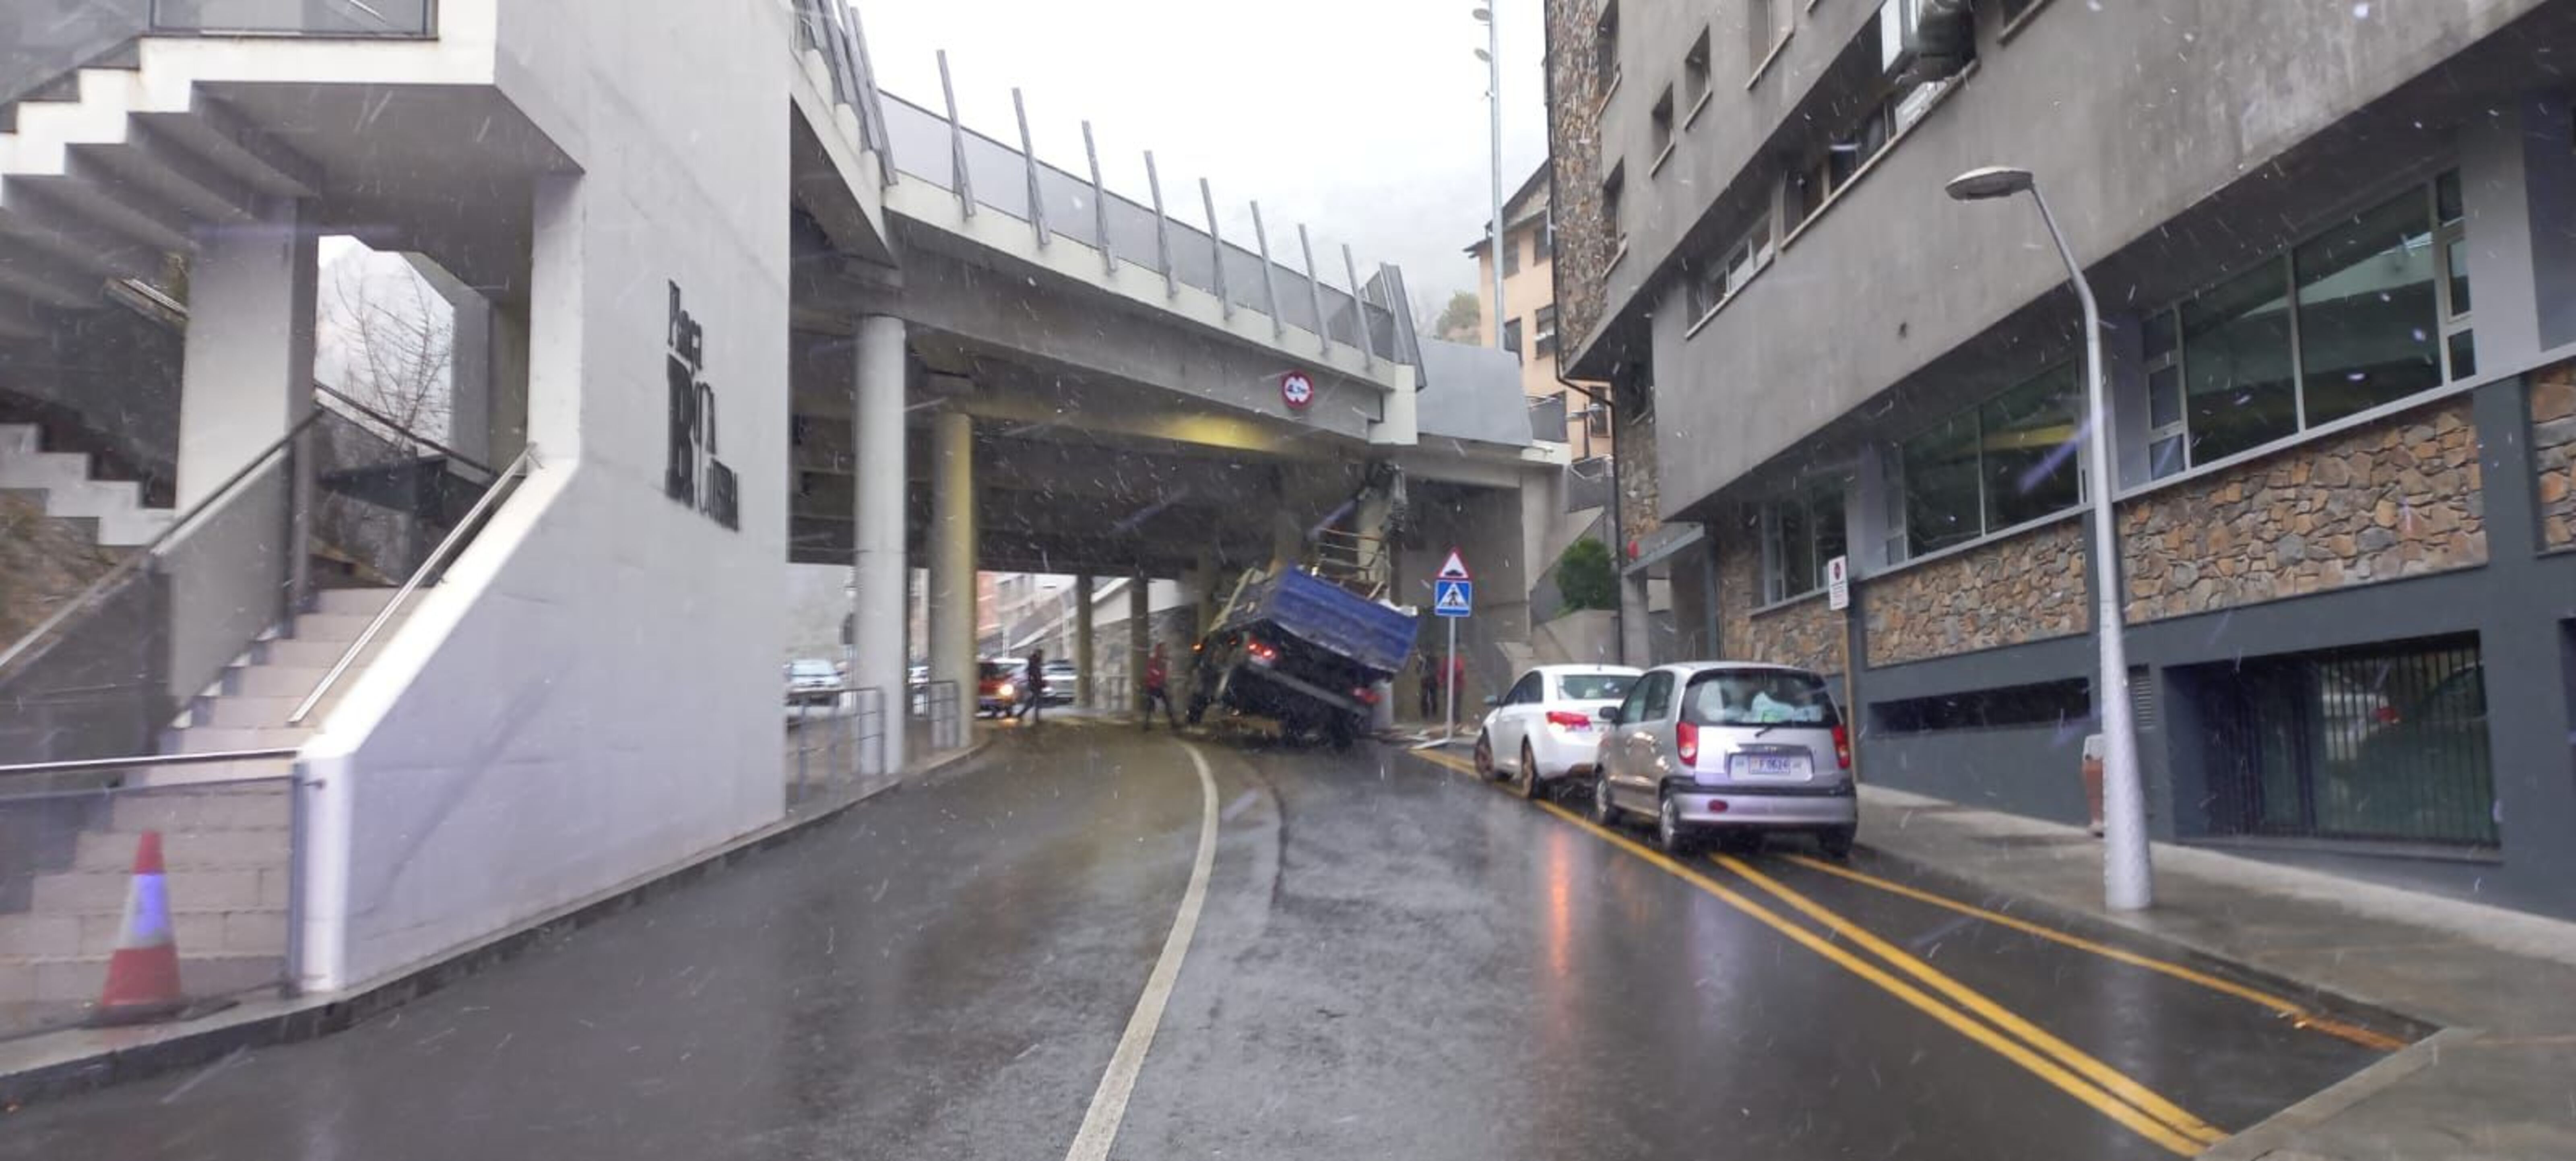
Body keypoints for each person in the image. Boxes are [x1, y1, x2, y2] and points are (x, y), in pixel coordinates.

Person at [1141, 643, 1179, 731]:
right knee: (1150, 705)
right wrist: (1159, 676)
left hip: (1161, 685)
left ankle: (1173, 722)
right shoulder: (1154, 661)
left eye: (1165, 650)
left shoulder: (1166, 661)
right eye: (1163, 650)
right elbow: (1152, 671)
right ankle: (1146, 724)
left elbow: (1168, 673)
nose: (1164, 651)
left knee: (1168, 703)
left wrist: (1165, 679)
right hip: (1153, 685)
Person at [1021, 647, 1047, 726]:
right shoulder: (1033, 662)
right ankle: (1036, 718)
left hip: (1036, 684)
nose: (1042, 656)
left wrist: (1041, 682)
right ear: (1037, 654)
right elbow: (1033, 674)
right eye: (1041, 654)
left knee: (1033, 701)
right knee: (1036, 701)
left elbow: (1037, 674)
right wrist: (1038, 682)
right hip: (1034, 684)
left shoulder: (1036, 662)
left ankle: (1024, 714)